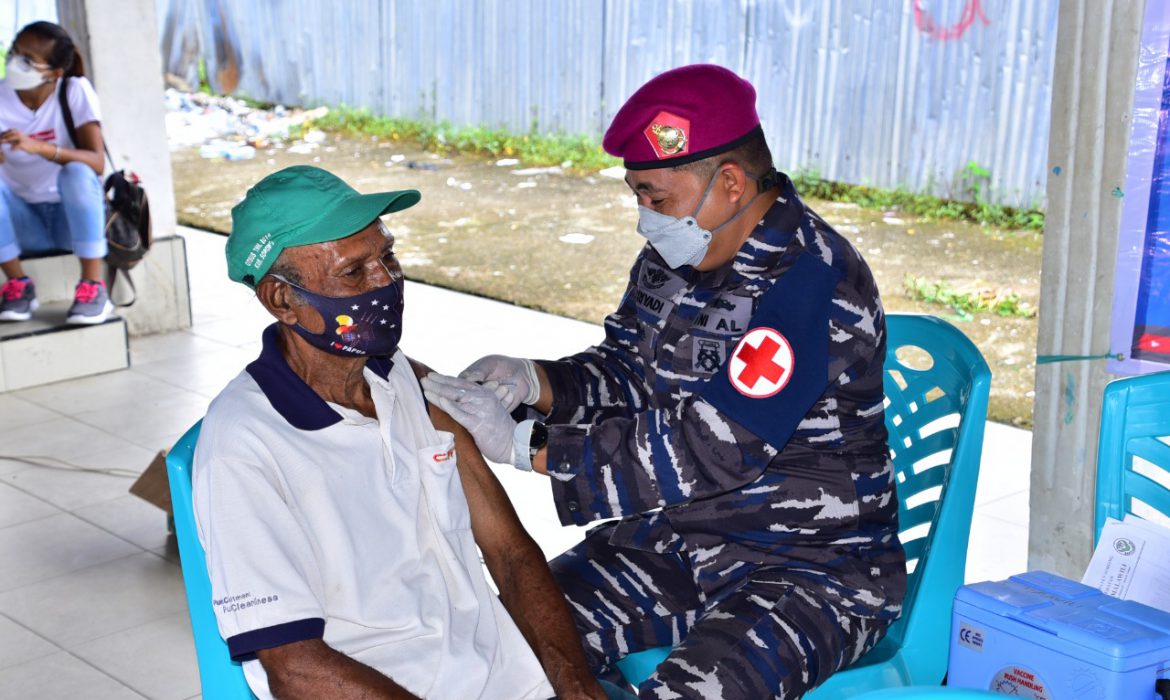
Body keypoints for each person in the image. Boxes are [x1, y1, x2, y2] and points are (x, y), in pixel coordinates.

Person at [421, 64, 907, 699]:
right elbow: (626, 367)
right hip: (674, 545)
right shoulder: (680, 255)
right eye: (637, 197)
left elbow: (717, 446)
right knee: (496, 641)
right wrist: (534, 383)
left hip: (805, 568)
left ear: (729, 183)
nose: (645, 219)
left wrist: (527, 445)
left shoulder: (812, 281)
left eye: (657, 198)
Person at [196, 165, 622, 700]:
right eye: (354, 273)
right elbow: (296, 668)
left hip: (501, 676)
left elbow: (509, 551)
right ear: (283, 301)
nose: (385, 283)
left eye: (387, 257)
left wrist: (575, 685)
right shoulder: (243, 449)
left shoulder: (394, 374)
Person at [0, 21, 111, 324]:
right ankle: (17, 285)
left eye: (27, 59)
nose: (14, 62)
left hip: (71, 221)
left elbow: (97, 162)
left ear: (54, 72)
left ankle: (92, 285)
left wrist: (39, 148)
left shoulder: (74, 90)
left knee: (76, 171)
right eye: (14, 52)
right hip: (24, 224)